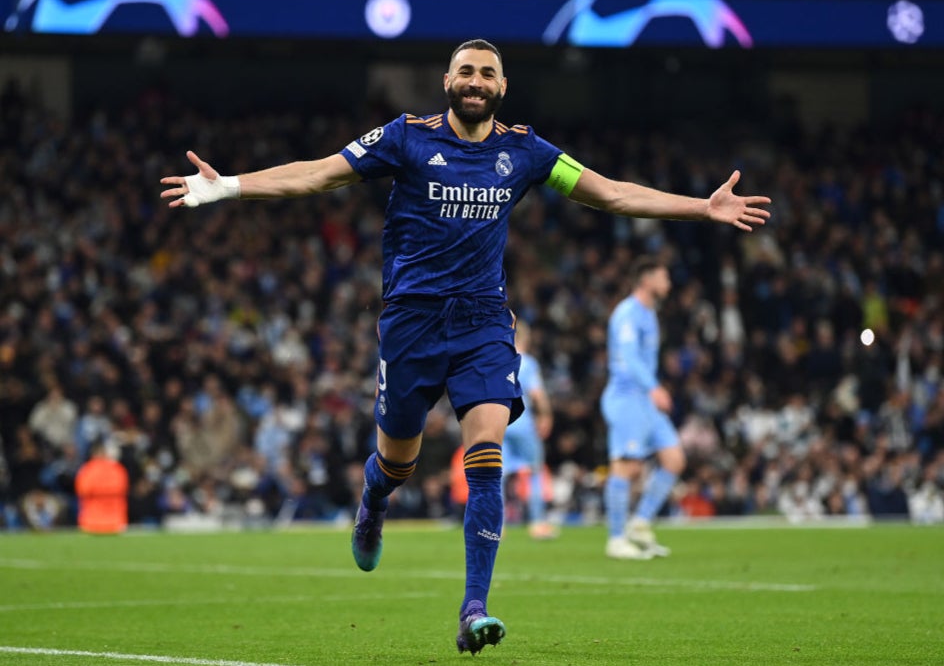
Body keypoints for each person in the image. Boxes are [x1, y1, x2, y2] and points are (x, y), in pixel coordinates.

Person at [160, 39, 771, 654]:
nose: (476, 81)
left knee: (486, 451)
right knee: (398, 460)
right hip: (411, 322)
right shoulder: (405, 137)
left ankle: (473, 607)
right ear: (447, 80)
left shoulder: (527, 151)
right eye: (466, 72)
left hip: (483, 324)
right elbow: (316, 174)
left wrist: (702, 208)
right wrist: (229, 186)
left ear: (502, 87)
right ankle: (374, 500)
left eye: (487, 73)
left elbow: (610, 192)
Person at [601, 256, 685, 560]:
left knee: (674, 459)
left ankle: (640, 522)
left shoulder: (650, 313)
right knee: (628, 466)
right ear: (647, 280)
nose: (669, 283)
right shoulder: (627, 313)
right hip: (627, 397)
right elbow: (628, 357)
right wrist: (654, 387)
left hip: (645, 399)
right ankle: (615, 538)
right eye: (664, 276)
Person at [501, 320, 557, 539]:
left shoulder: (500, 360)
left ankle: (498, 525)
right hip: (523, 422)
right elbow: (537, 393)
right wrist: (546, 415)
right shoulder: (528, 362)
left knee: (498, 474)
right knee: (534, 471)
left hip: (502, 422)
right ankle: (537, 522)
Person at [74, 440, 129, 534]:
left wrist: (97, 490)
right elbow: (122, 488)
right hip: (113, 521)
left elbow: (82, 490)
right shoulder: (117, 469)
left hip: (92, 522)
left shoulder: (87, 470)